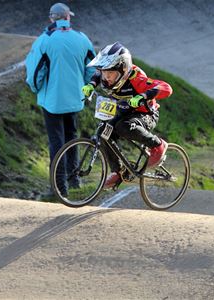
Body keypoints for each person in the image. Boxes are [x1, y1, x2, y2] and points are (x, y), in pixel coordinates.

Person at [25, 2, 96, 196]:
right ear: (68, 17)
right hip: (75, 98)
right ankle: (74, 180)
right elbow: (92, 66)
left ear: (51, 19)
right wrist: (87, 87)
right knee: (71, 136)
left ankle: (58, 188)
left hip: (53, 101)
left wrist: (36, 88)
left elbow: (35, 73)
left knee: (56, 141)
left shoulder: (44, 40)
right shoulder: (82, 39)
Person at [82, 41, 173, 189]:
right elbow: (98, 73)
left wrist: (142, 96)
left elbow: (166, 88)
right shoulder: (105, 74)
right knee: (105, 131)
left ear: (123, 69)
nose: (106, 78)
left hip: (146, 113)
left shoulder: (136, 78)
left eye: (110, 73)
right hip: (124, 109)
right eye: (105, 73)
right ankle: (119, 172)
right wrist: (91, 85)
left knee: (124, 126)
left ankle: (158, 145)